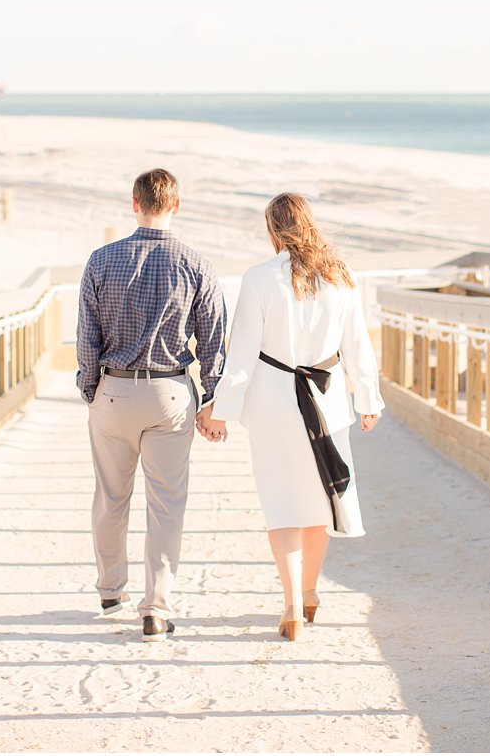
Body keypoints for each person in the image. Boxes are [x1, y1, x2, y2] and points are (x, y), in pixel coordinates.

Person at [197, 192, 383, 641]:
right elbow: (358, 344)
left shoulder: (260, 278)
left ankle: (292, 605)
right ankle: (312, 591)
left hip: (273, 403)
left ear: (272, 229)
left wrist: (222, 409)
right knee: (318, 502)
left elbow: (240, 352)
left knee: (282, 503)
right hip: (329, 399)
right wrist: (368, 398)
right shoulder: (342, 276)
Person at [76, 168, 226, 642]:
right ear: (176, 206)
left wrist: (90, 389)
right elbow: (214, 339)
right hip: (170, 394)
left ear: (134, 203)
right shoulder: (195, 263)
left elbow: (86, 338)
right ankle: (156, 608)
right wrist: (213, 396)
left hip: (115, 390)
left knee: (110, 496)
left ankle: (109, 589)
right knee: (166, 504)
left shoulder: (101, 261)